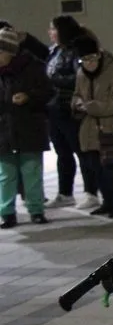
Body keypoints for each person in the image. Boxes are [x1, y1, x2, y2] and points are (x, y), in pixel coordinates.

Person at [71, 34, 113, 218]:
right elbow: (76, 94)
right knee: (95, 168)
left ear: (99, 54)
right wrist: (76, 104)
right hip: (90, 129)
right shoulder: (81, 74)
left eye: (92, 58)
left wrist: (91, 106)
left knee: (110, 168)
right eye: (84, 59)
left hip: (112, 127)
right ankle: (107, 201)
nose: (89, 63)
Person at [45, 15, 100, 210]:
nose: (50, 33)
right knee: (62, 153)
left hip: (71, 108)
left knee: (82, 151)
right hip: (54, 108)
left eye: (53, 29)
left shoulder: (77, 50)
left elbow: (81, 77)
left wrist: (54, 79)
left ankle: (91, 192)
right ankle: (65, 193)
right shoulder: (54, 51)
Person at [0, 28, 53, 228]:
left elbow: (48, 92)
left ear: (10, 52)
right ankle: (7, 213)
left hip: (30, 128)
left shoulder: (33, 68)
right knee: (5, 176)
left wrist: (28, 97)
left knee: (32, 173)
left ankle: (36, 210)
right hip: (3, 131)